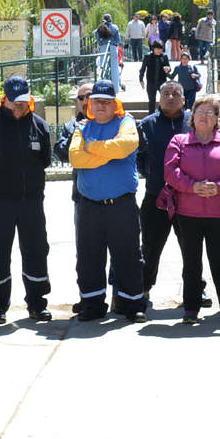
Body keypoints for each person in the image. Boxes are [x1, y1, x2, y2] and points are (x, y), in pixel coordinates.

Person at [0, 76, 53, 324]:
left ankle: (37, 304)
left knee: (37, 251)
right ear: (4, 98)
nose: (19, 106)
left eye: (23, 101)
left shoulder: (39, 125)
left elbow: (46, 159)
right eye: (13, 101)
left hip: (31, 202)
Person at [165, 93, 220, 322]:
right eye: (199, 112)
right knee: (191, 262)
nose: (204, 116)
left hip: (219, 212)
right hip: (187, 213)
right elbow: (171, 172)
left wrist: (219, 187)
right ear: (192, 117)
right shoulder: (179, 142)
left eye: (209, 112)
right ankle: (191, 309)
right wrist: (193, 187)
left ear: (216, 118)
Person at [68, 79, 146, 323]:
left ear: (115, 104)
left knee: (128, 256)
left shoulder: (126, 123)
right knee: (89, 257)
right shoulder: (82, 127)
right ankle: (92, 304)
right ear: (89, 104)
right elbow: (75, 158)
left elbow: (126, 146)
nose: (100, 106)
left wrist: (92, 148)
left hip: (121, 205)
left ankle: (132, 304)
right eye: (96, 102)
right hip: (89, 205)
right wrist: (107, 154)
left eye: (106, 102)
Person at [137, 82, 189, 304]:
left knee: (191, 248)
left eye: (176, 94)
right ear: (159, 98)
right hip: (156, 197)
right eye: (166, 93)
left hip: (188, 198)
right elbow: (139, 158)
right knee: (150, 247)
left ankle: (196, 288)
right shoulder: (147, 124)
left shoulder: (193, 122)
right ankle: (144, 287)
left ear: (184, 100)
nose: (170, 97)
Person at [140, 45, 170, 112]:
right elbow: (142, 69)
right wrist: (141, 80)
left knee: (164, 99)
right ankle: (151, 116)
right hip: (151, 82)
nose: (159, 51)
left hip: (162, 81)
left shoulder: (164, 56)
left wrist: (168, 69)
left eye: (161, 49)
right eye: (158, 49)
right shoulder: (147, 56)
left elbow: (168, 67)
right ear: (154, 48)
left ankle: (162, 114)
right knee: (151, 100)